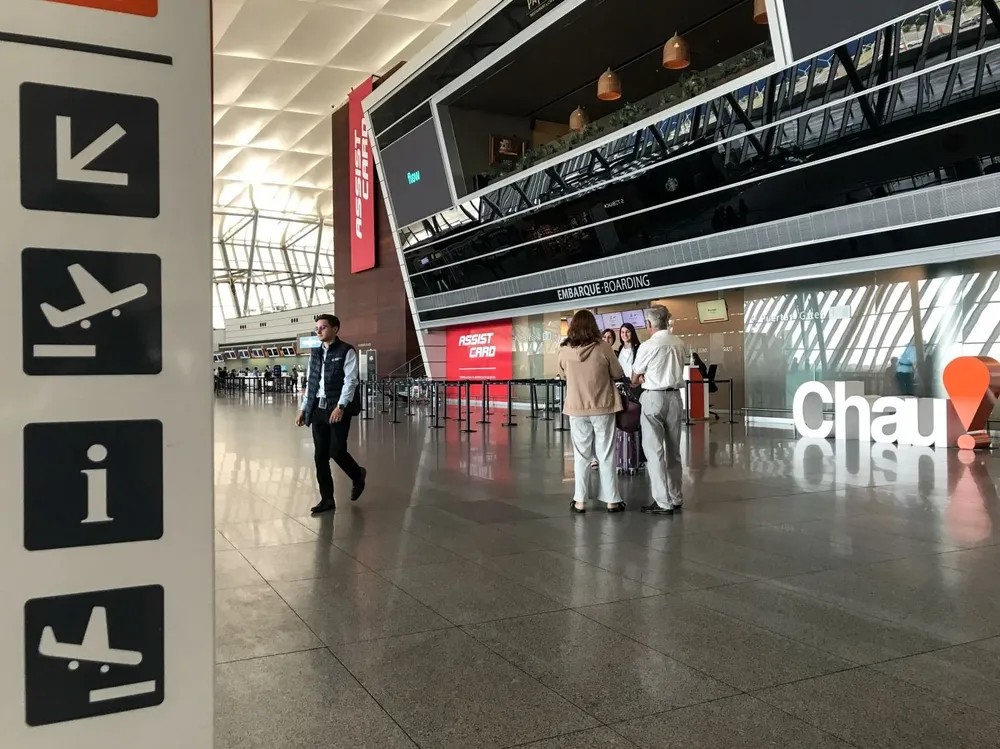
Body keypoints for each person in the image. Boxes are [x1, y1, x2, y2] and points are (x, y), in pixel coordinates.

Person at [295, 314, 366, 514]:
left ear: (335, 329)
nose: (318, 331)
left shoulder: (346, 351)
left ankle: (357, 474)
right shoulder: (315, 354)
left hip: (337, 410)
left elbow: (350, 381)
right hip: (318, 409)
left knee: (336, 451)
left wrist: (341, 406)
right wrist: (303, 408)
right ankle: (327, 499)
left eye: (323, 327)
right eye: (317, 327)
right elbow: (311, 383)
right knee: (320, 456)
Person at [558, 310, 626, 514]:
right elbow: (618, 373)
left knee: (581, 456)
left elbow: (562, 375)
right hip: (603, 406)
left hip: (577, 408)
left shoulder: (564, 351)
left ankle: (579, 500)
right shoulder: (604, 348)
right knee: (605, 453)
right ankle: (612, 500)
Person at [632, 305, 686, 515]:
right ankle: (676, 496)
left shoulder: (647, 346)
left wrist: (643, 377)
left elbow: (634, 379)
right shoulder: (680, 343)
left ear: (649, 324)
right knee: (674, 450)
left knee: (654, 451)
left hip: (653, 398)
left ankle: (662, 501)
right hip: (675, 398)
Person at [616, 322, 644, 473]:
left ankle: (640, 456)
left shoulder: (639, 349)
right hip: (622, 388)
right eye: (622, 332)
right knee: (624, 423)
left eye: (627, 332)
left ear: (632, 333)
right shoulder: (619, 350)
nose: (624, 335)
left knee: (637, 423)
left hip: (636, 388)